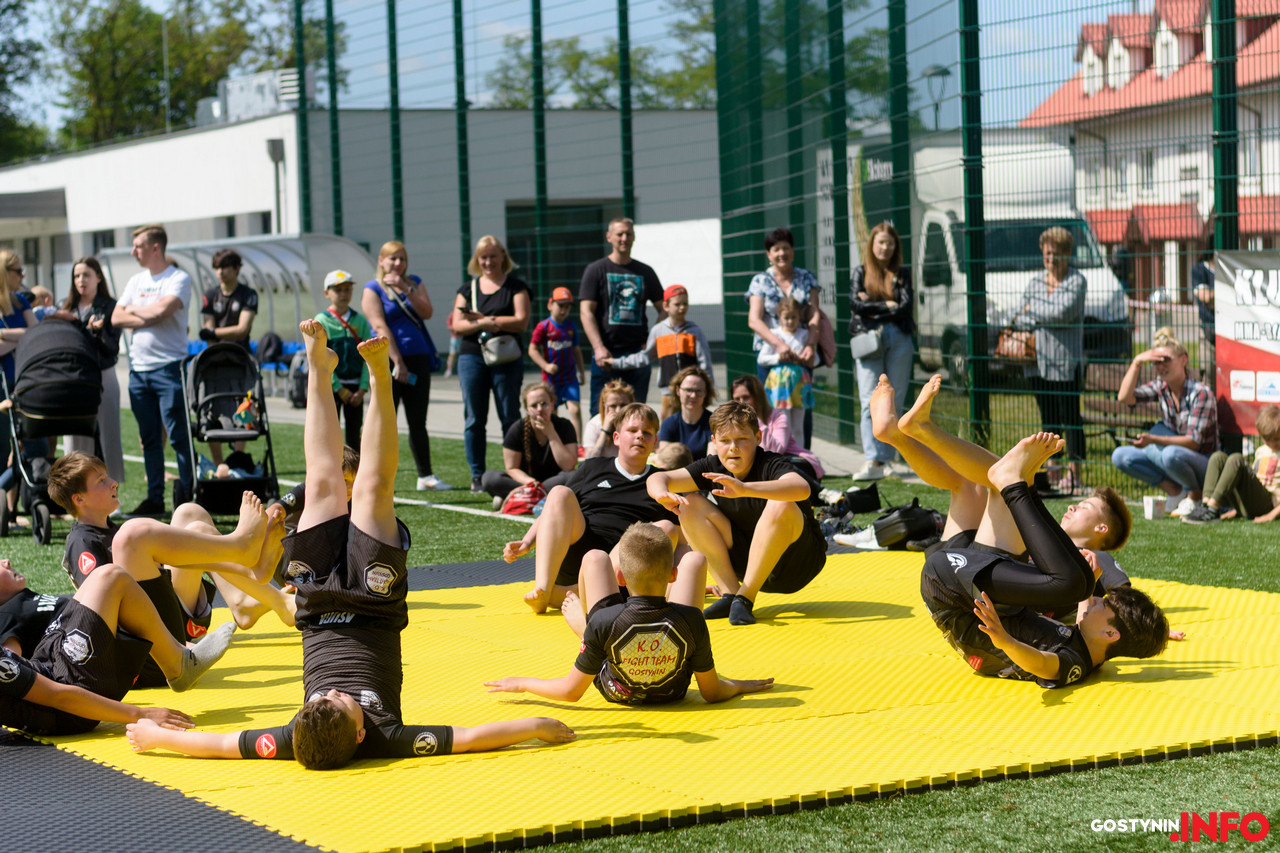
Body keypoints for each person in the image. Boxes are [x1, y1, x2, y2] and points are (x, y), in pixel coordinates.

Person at [125, 321, 575, 768]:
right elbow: (469, 738)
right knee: (373, 488)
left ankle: (319, 368)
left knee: (323, 481)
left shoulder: (299, 733)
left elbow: (223, 745)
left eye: (321, 698)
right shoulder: (387, 735)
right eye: (340, 700)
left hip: (317, 602)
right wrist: (533, 725)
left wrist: (155, 736)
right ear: (361, 734)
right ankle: (379, 377)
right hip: (375, 601)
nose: (333, 692)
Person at [870, 373, 1136, 622]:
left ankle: (923, 429)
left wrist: (1095, 599)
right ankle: (895, 434)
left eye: (1086, 506)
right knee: (970, 484)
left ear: (1102, 529)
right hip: (959, 572)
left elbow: (1128, 604)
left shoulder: (1097, 558)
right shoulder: (1046, 540)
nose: (1073, 506)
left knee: (1007, 483)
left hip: (980, 591)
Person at [918, 431, 1168, 686]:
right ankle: (1025, 482)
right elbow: (1084, 613)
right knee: (1081, 584)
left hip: (949, 591)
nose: (1095, 602)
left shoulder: (1076, 663)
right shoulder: (1093, 646)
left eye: (1101, 606)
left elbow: (1042, 664)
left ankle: (1019, 486)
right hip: (977, 592)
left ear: (1110, 633)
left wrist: (1006, 642)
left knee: (1075, 585)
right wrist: (1090, 586)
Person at [484, 522, 773, 705]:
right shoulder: (694, 619)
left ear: (620, 578)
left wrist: (523, 683)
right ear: (672, 576)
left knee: (595, 558)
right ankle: (592, 637)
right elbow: (712, 692)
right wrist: (738, 686)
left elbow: (570, 692)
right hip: (672, 692)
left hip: (617, 689)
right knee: (696, 559)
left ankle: (587, 635)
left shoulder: (604, 619)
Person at [48, 451, 293, 650]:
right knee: (195, 530)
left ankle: (241, 599)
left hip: (167, 602)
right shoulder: (82, 542)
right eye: (101, 481)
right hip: (157, 629)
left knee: (189, 512)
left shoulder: (108, 529)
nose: (113, 483)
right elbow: (100, 606)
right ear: (79, 500)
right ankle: (267, 586)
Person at [1, 560, 233, 737]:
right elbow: (58, 696)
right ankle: (177, 665)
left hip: (47, 664)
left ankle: (177, 654)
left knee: (98, 578)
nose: (7, 561)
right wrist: (141, 713)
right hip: (70, 704)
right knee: (111, 576)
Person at [648, 401, 828, 626]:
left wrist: (744, 489)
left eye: (742, 439)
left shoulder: (770, 463)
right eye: (724, 441)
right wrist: (661, 494)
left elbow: (802, 488)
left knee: (782, 504)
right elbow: (658, 477)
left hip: (797, 564)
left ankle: (745, 598)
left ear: (758, 438)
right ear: (714, 442)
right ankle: (731, 594)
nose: (733, 447)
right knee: (689, 505)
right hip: (747, 561)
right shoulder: (712, 467)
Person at [504, 402, 680, 613]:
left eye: (647, 433)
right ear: (616, 438)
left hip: (624, 569)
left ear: (655, 442)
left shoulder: (661, 481)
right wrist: (526, 542)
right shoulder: (593, 467)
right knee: (559, 492)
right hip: (578, 554)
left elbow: (679, 540)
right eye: (632, 430)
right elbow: (553, 510)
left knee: (666, 527)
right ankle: (543, 589)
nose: (640, 436)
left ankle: (578, 592)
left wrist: (681, 582)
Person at [111, 224, 194, 517]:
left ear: (155, 247)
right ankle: (155, 499)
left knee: (179, 436)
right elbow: (116, 316)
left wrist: (135, 312)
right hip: (139, 372)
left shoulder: (178, 278)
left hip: (169, 369)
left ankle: (189, 497)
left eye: (138, 246)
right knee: (149, 439)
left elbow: (162, 311)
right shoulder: (136, 281)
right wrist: (146, 315)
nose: (133, 252)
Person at [362, 241, 449, 492]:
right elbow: (379, 326)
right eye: (393, 258)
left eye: (402, 258)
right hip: (388, 359)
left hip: (418, 357)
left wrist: (405, 289)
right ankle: (373, 477)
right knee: (384, 420)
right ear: (381, 260)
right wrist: (397, 361)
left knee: (418, 420)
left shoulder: (414, 283)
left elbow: (427, 312)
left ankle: (425, 475)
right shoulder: (372, 289)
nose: (398, 263)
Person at [1009, 226, 1086, 493]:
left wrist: (1034, 310)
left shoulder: (1077, 281)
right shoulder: (1034, 283)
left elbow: (1062, 313)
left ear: (1067, 254)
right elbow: (1019, 314)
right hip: (1037, 363)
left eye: (1056, 254)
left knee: (1070, 418)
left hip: (1066, 362)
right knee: (1049, 420)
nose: (1051, 259)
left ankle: (1075, 474)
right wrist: (1039, 313)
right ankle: (1053, 470)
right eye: (1047, 254)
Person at [452, 235, 531, 492]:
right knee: (474, 418)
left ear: (503, 257)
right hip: (472, 356)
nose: (488, 262)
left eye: (493, 256)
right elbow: (457, 325)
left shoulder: (516, 287)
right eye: (483, 257)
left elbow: (521, 321)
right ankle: (477, 475)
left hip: (506, 357)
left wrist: (487, 320)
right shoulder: (467, 289)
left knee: (510, 416)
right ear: (477, 259)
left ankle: (517, 471)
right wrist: (485, 323)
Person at [1112, 330, 1218, 517]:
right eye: (1156, 362)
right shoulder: (1161, 386)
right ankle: (1175, 491)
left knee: (1169, 454)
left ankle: (1195, 495)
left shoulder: (1201, 392)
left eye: (1166, 360)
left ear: (1184, 360)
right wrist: (1137, 362)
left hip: (1203, 464)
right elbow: (1124, 397)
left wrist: (1153, 439)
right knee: (1120, 456)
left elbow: (1193, 442)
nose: (1161, 366)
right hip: (1174, 460)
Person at [746, 227, 824, 448]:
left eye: (786, 248)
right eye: (776, 249)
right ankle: (772, 454)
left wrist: (811, 345)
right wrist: (779, 345)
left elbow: (814, 313)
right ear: (769, 254)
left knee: (802, 410)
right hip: (771, 354)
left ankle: (803, 457)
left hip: (801, 350)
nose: (782, 253)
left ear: (793, 250)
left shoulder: (806, 278)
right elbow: (754, 319)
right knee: (769, 409)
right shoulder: (760, 281)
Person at [578, 217, 664, 415]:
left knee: (637, 414)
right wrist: (598, 347)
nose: (624, 238)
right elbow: (586, 312)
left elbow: (664, 308)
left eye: (628, 234)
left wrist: (652, 341)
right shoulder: (596, 270)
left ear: (634, 237)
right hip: (606, 356)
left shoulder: (645, 272)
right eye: (619, 234)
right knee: (600, 414)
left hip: (638, 355)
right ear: (609, 237)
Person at [849, 221, 914, 480]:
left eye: (890, 243)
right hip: (868, 339)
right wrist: (887, 305)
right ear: (872, 245)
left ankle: (888, 460)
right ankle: (872, 460)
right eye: (880, 242)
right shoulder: (860, 272)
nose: (885, 248)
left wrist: (873, 306)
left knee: (894, 401)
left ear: (895, 246)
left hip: (899, 337)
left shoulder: (903, 273)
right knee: (869, 400)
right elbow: (855, 305)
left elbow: (905, 307)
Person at [52, 257, 125, 484]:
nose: (80, 280)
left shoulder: (110, 306)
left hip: (104, 374)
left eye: (86, 275)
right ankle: (75, 488)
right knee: (74, 438)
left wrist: (99, 333)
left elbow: (113, 348)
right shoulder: (65, 307)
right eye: (76, 276)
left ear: (98, 278)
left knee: (109, 435)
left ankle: (111, 491)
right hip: (75, 377)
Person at [604, 284, 713, 420]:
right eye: (677, 304)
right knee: (669, 425)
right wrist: (615, 362)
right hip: (668, 392)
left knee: (694, 422)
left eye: (685, 304)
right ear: (666, 306)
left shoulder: (695, 331)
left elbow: (705, 363)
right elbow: (643, 357)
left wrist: (708, 389)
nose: (682, 308)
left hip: (692, 392)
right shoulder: (658, 331)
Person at [481, 382, 579, 507]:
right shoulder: (517, 429)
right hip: (526, 483)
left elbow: (569, 466)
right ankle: (537, 498)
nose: (539, 409)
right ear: (527, 409)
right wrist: (531, 483)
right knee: (490, 478)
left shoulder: (565, 426)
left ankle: (518, 498)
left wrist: (551, 433)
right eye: (534, 405)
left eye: (544, 404)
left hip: (555, 483)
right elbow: (512, 468)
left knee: (574, 476)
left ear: (552, 404)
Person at [1182, 404, 1280, 524]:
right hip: (1253, 502)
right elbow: (1255, 481)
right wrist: (1236, 511)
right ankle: (1206, 505)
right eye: (1267, 439)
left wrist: (1271, 515)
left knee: (1236, 459)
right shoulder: (1262, 451)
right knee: (1218, 457)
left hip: (1269, 505)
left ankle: (1213, 508)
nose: (1272, 444)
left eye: (1277, 439)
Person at [315, 270, 371, 452]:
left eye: (347, 289)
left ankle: (354, 469)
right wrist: (338, 388)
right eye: (337, 290)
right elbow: (320, 359)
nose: (343, 294)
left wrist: (363, 388)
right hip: (332, 389)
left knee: (354, 435)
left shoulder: (360, 320)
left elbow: (367, 357)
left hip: (356, 389)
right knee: (330, 433)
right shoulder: (321, 321)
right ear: (326, 293)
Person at [730, 375, 823, 479]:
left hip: (794, 464)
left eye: (746, 397)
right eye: (737, 399)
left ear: (757, 397)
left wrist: (754, 420)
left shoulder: (779, 417)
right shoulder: (733, 422)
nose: (742, 403)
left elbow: (775, 450)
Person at [528, 286, 585, 441]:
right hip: (551, 380)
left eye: (567, 307)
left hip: (569, 378)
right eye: (560, 306)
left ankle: (577, 443)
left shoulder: (571, 326)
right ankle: (555, 442)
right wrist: (545, 365)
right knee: (552, 413)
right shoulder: (543, 327)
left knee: (575, 410)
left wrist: (581, 371)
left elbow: (576, 350)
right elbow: (532, 350)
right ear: (550, 304)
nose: (564, 310)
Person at [758, 296, 814, 442]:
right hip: (780, 385)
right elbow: (762, 358)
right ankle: (783, 453)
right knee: (784, 424)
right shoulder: (775, 334)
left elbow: (815, 358)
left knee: (798, 427)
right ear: (779, 316)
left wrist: (803, 358)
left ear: (799, 316)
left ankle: (798, 454)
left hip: (799, 382)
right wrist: (779, 358)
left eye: (793, 317)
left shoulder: (804, 334)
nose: (790, 321)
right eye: (786, 318)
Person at [199, 249, 257, 352]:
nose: (220, 272)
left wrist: (213, 332)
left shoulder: (248, 294)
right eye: (217, 268)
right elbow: (209, 332)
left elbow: (242, 330)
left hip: (241, 353)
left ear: (237, 268)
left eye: (224, 267)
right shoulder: (210, 295)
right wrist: (214, 354)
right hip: (216, 353)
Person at [658, 365, 715, 461]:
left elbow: (711, 461)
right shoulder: (669, 424)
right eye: (688, 390)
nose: (693, 395)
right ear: (677, 390)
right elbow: (664, 460)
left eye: (699, 391)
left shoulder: (714, 423)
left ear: (705, 393)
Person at [581, 379, 633, 459]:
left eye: (623, 405)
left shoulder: (637, 425)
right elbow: (589, 460)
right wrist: (605, 431)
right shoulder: (594, 424)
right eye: (613, 406)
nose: (618, 411)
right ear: (604, 406)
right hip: (602, 466)